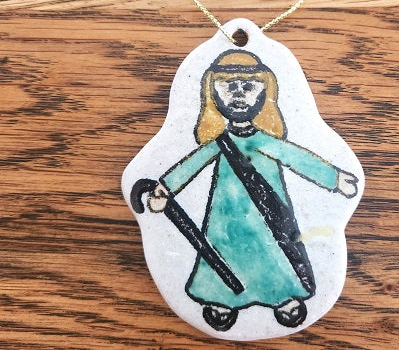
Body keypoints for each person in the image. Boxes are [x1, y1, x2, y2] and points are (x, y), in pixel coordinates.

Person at [146, 50, 358, 331]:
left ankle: (283, 295)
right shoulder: (219, 143)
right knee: (224, 250)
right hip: (226, 220)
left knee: (275, 251)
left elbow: (297, 158)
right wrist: (165, 189)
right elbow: (192, 164)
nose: (238, 94)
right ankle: (221, 297)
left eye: (248, 86)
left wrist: (335, 178)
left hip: (269, 219)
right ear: (213, 94)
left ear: (265, 93)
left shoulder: (267, 142)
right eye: (228, 86)